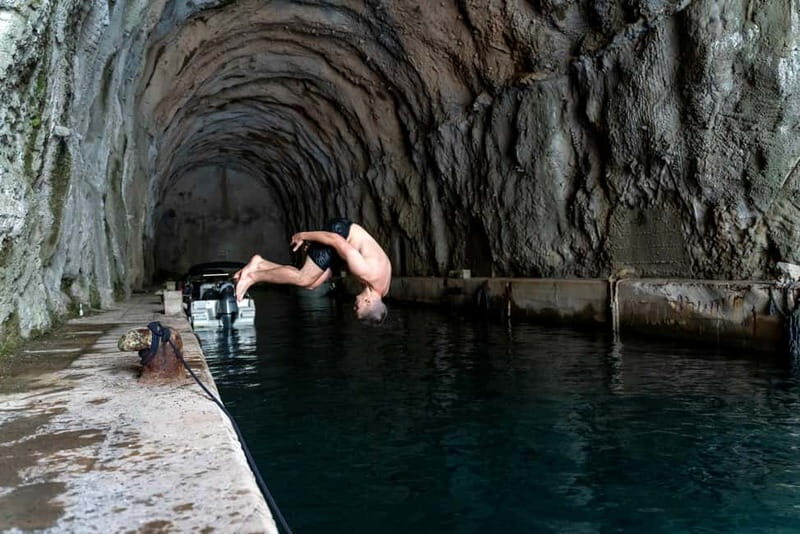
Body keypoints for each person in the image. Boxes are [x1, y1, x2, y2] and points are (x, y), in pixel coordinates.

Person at [233, 218, 391, 325]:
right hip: (339, 232)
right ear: (368, 302)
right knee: (304, 278)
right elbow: (335, 239)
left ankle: (260, 264)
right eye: (357, 308)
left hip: (343, 249)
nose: (354, 307)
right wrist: (304, 235)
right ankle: (253, 276)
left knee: (311, 284)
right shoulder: (366, 271)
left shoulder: (382, 289)